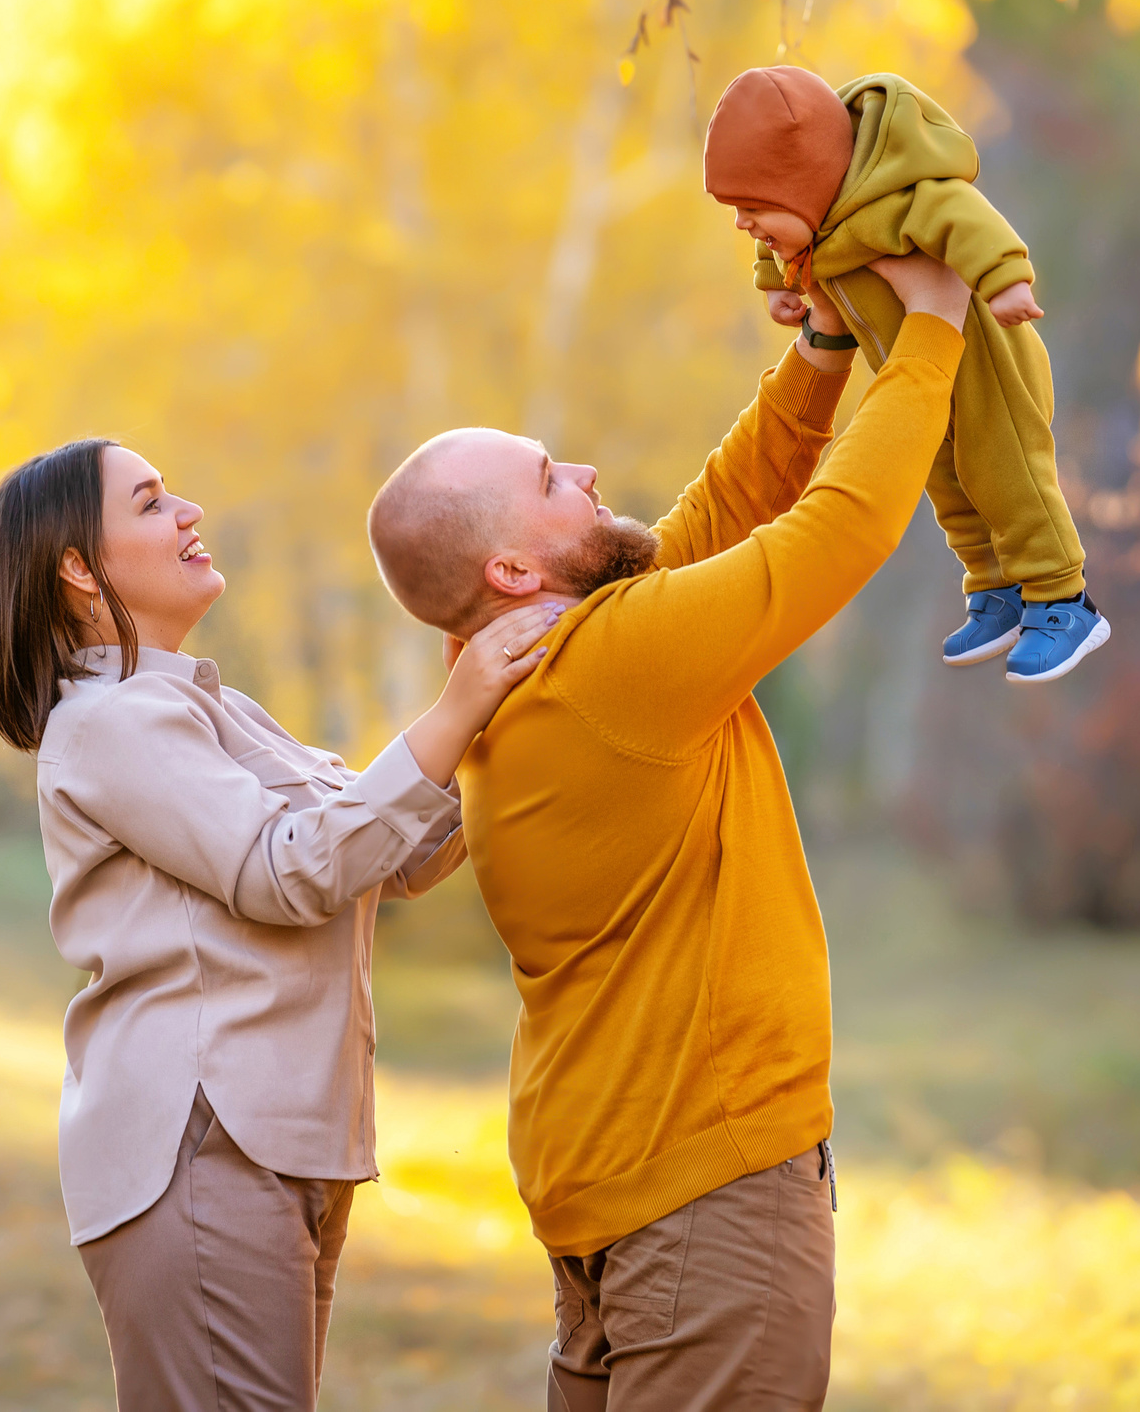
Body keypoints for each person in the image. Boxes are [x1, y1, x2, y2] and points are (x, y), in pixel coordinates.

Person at [364, 252, 972, 1411]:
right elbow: (834, 532)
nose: (585, 471)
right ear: (510, 566)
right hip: (707, 1197)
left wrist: (822, 352)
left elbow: (712, 522)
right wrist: (932, 329)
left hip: (616, 1187)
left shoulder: (520, 673)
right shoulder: (616, 665)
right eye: (551, 479)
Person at [0, 437, 559, 1411]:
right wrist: (458, 709)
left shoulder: (214, 709)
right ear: (78, 568)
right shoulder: (108, 724)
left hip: (281, 1147)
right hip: (201, 1145)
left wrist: (489, 700)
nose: (189, 511)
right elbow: (286, 873)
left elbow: (389, 854)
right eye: (152, 503)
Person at [706, 63, 1111, 682]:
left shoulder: (896, 199)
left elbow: (964, 216)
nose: (744, 224)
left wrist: (1005, 280)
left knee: (1006, 473)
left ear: (805, 185)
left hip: (986, 366)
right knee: (946, 479)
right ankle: (995, 589)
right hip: (919, 370)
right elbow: (779, 241)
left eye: (754, 208)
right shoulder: (813, 220)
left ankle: (1063, 599)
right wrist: (776, 284)